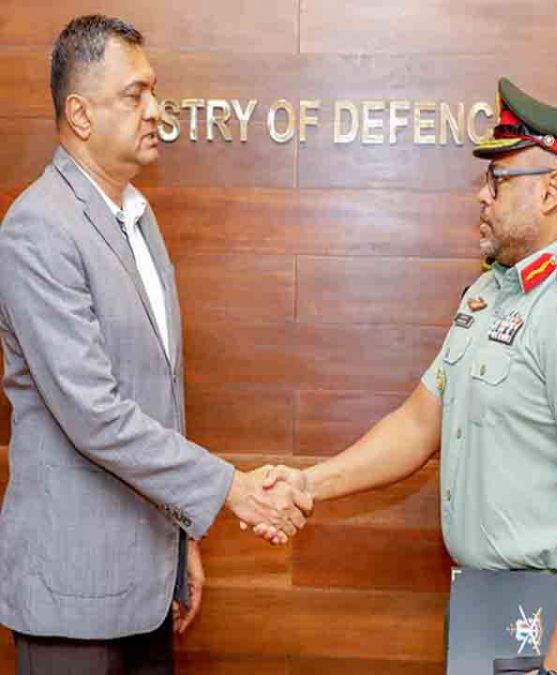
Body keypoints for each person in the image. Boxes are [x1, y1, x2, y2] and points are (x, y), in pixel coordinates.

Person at [260, 77, 557, 675]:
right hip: (483, 609)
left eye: (498, 179)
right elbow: (419, 423)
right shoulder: (491, 294)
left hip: (550, 622)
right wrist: (309, 484)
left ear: (550, 191)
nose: (482, 195)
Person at [0, 15, 310, 674]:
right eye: (134, 94)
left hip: (147, 587)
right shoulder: (38, 228)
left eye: (154, 91)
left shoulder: (140, 219)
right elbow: (94, 413)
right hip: (73, 595)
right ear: (80, 114)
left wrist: (179, 538)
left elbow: (159, 397)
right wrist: (231, 489)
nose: (155, 111)